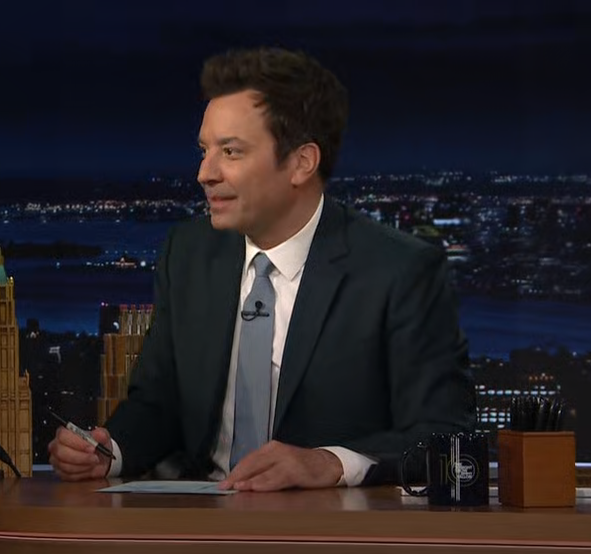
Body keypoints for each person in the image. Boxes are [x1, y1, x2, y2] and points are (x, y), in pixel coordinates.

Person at [49, 47, 474, 491]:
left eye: (230, 151)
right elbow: (160, 403)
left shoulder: (400, 270)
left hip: (326, 523)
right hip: (198, 515)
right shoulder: (188, 253)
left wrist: (329, 463)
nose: (204, 173)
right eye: (204, 151)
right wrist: (110, 452)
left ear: (301, 163)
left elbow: (445, 433)